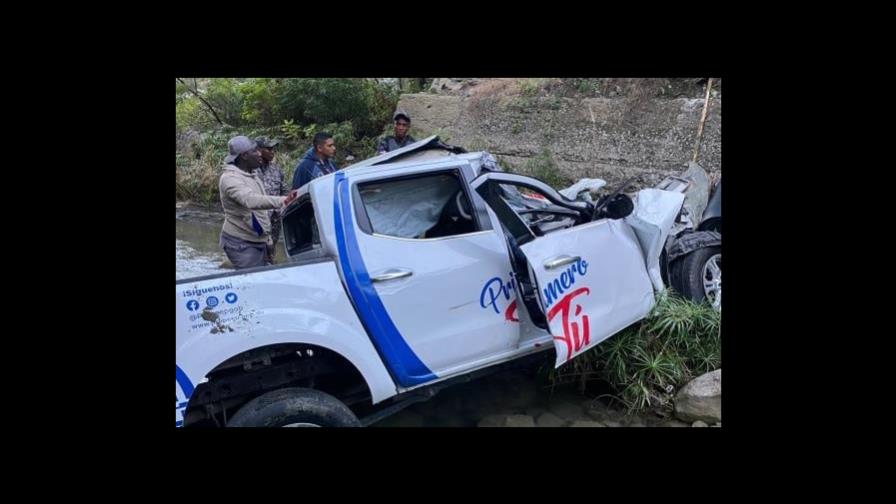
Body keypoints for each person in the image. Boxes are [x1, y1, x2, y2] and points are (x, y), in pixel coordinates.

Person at [219, 135, 297, 269]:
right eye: (255, 151)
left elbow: (260, 213)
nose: (259, 154)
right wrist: (283, 200)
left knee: (262, 276)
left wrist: (268, 240)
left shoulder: (252, 174)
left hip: (258, 239)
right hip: (241, 243)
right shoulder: (229, 179)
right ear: (244, 156)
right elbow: (250, 200)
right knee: (252, 278)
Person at [254, 136, 289, 264]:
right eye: (268, 149)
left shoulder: (276, 169)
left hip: (275, 218)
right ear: (258, 150)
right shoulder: (250, 170)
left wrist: (283, 208)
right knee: (256, 249)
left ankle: (270, 265)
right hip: (257, 219)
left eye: (273, 149)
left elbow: (284, 190)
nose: (272, 152)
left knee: (271, 249)